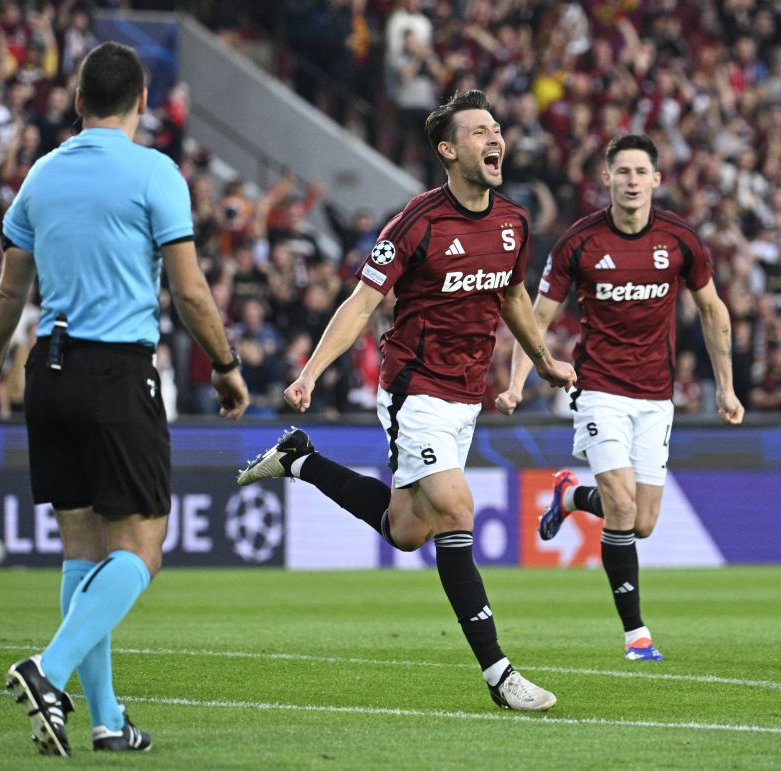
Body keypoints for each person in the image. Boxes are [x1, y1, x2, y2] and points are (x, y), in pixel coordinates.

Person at [0, 42, 249, 757]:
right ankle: (48, 670)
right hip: (116, 372)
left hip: (47, 375)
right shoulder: (155, 172)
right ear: (142, 102)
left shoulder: (41, 173)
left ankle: (107, 721)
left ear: (79, 100)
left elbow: (9, 292)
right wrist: (225, 364)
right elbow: (189, 291)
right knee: (142, 550)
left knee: (83, 551)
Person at [236, 90, 574, 711]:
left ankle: (299, 460)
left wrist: (544, 361)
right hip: (413, 389)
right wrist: (310, 372)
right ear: (448, 150)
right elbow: (362, 303)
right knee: (457, 508)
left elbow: (513, 297)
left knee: (407, 531)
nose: (495, 139)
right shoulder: (416, 222)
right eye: (479, 131)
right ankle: (499, 674)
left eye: (496, 129)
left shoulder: (514, 222)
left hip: (466, 397)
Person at [496, 134, 745, 661]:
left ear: (657, 179)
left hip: (656, 396)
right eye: (623, 171)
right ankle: (637, 634)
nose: (632, 181)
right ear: (606, 178)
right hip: (598, 390)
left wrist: (726, 387)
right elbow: (537, 317)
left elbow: (713, 310)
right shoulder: (578, 243)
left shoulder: (680, 239)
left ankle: (570, 497)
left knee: (642, 523)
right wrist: (518, 382)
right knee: (623, 505)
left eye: (640, 172)